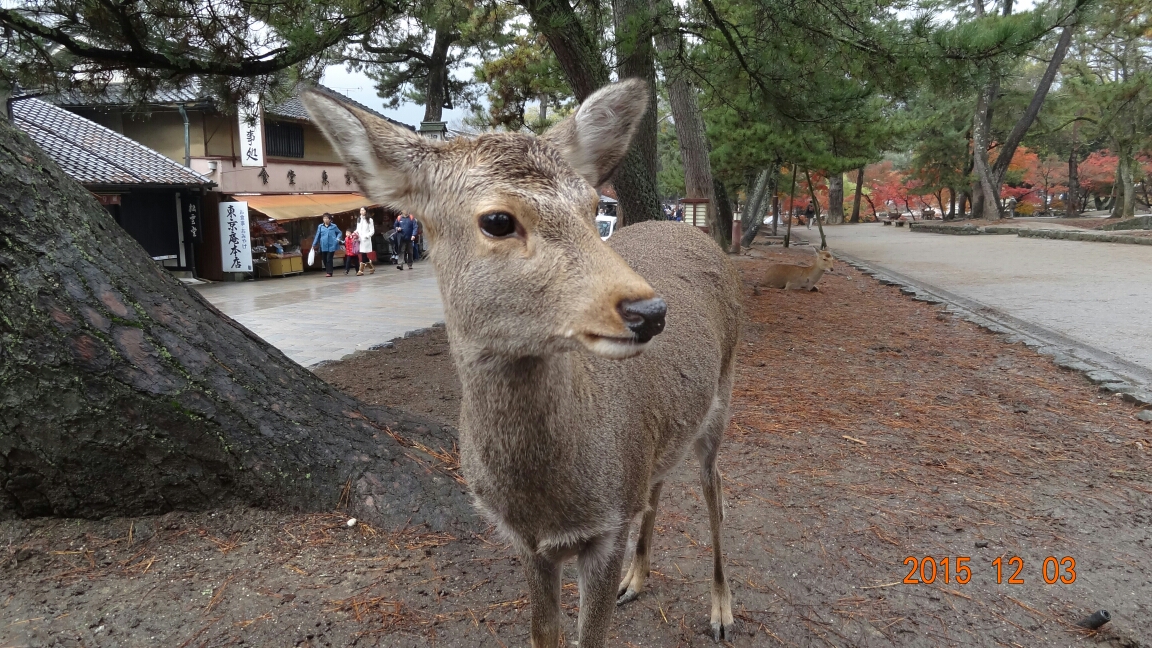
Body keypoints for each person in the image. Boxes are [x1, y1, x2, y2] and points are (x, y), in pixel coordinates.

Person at [311, 213, 342, 277]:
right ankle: (328, 270)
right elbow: (317, 235)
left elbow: (339, 232)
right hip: (323, 245)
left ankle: (329, 272)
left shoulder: (334, 226)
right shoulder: (320, 226)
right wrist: (314, 244)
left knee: (329, 259)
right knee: (324, 259)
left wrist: (337, 239)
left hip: (332, 245)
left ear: (330, 219)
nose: (325, 220)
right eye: (324, 218)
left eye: (326, 218)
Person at [355, 207, 375, 274]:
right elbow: (357, 229)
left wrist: (367, 236)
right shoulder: (359, 219)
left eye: (363, 210)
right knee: (364, 254)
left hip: (366, 240)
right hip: (360, 239)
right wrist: (354, 233)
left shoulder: (369, 219)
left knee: (363, 254)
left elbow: (372, 231)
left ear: (366, 211)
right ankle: (371, 268)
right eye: (360, 210)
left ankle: (361, 270)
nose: (361, 211)